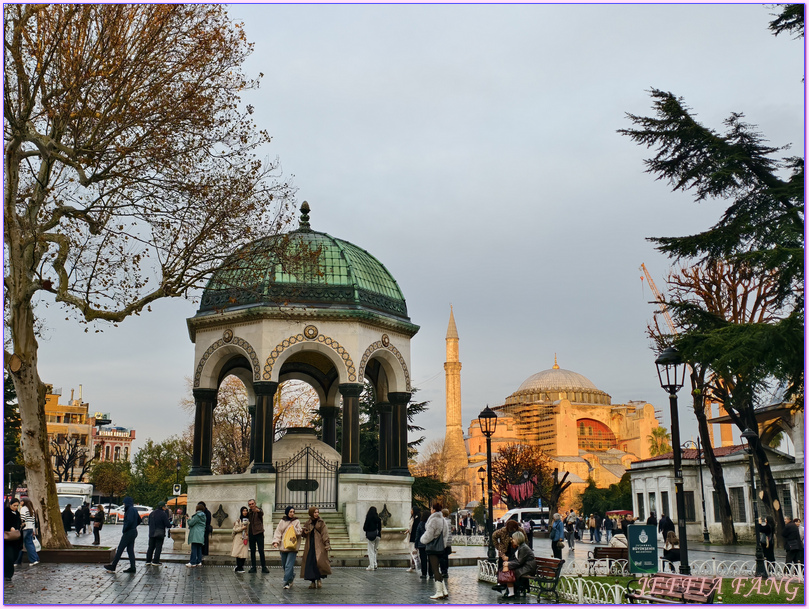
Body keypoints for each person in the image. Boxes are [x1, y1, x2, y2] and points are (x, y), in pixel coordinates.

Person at [420, 502, 449, 600]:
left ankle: (439, 592)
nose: (430, 510)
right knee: (439, 569)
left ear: (433, 510)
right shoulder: (443, 520)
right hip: (441, 547)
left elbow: (429, 534)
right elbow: (445, 534)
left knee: (435, 569)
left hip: (433, 548)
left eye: (431, 508)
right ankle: (444, 590)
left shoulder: (434, 520)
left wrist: (422, 540)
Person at [104, 496, 139, 573]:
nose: (123, 505)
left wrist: (125, 528)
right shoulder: (134, 510)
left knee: (120, 549)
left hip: (128, 532)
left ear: (127, 503)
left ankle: (113, 566)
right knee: (130, 550)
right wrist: (134, 525)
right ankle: (133, 567)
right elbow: (139, 520)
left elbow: (129, 521)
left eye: (124, 503)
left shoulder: (129, 510)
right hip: (133, 531)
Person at [301, 506, 331, 588]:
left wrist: (326, 544)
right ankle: (312, 582)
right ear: (311, 513)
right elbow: (303, 534)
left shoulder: (321, 522)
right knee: (311, 563)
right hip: (310, 546)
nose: (316, 514)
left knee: (319, 563)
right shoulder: (308, 523)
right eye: (315, 512)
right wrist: (304, 532)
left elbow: (325, 534)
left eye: (317, 512)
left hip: (319, 546)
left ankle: (319, 580)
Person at [272, 506, 302, 587]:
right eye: (290, 512)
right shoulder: (282, 521)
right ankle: (291, 577)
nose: (292, 513)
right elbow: (278, 532)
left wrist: (293, 528)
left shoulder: (296, 521)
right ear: (287, 512)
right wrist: (276, 541)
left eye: (293, 512)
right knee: (285, 564)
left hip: (292, 546)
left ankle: (286, 581)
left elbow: (299, 532)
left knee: (289, 565)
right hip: (283, 546)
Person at [502, 530, 537, 598]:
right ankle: (509, 590)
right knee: (507, 569)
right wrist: (508, 563)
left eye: (513, 539)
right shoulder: (520, 547)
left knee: (511, 572)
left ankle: (511, 590)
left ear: (518, 539)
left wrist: (508, 564)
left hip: (528, 568)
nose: (512, 540)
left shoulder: (523, 548)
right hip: (525, 566)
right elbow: (518, 561)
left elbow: (519, 562)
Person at [246, 498, 269, 573]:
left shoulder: (258, 511)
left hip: (259, 533)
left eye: (252, 504)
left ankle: (264, 567)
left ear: (255, 504)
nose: (251, 505)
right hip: (251, 534)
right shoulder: (249, 513)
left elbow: (261, 513)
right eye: (250, 504)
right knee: (252, 551)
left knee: (261, 550)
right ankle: (253, 567)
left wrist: (258, 510)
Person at [146, 502, 171, 566]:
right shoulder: (163, 514)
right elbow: (167, 524)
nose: (165, 508)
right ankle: (155, 561)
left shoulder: (152, 513)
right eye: (165, 506)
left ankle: (148, 560)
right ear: (162, 507)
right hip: (159, 533)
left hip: (151, 532)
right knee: (158, 547)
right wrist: (170, 524)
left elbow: (149, 522)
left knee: (150, 547)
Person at [17, 498, 39, 566]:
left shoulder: (23, 509)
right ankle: (35, 558)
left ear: (23, 502)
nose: (20, 503)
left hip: (25, 528)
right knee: (29, 544)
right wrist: (33, 530)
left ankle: (32, 560)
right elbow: (33, 522)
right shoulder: (31, 510)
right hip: (30, 528)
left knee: (23, 544)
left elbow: (22, 519)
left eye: (21, 501)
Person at [4, 498, 22, 580]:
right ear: (10, 505)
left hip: (16, 539)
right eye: (14, 505)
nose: (15, 507)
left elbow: (18, 524)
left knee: (14, 556)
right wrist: (9, 527)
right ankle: (7, 575)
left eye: (17, 506)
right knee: (9, 557)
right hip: (7, 539)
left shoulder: (17, 514)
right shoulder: (5, 513)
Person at [186, 502, 206, 568]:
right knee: (199, 548)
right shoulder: (204, 516)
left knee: (194, 548)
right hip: (201, 534)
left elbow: (191, 523)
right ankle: (199, 561)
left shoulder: (197, 516)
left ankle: (193, 562)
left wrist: (188, 519)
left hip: (195, 534)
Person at [363, 506, 382, 571]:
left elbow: (364, 528)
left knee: (370, 551)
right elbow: (380, 528)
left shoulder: (368, 518)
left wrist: (369, 530)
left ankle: (371, 566)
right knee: (375, 550)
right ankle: (375, 564)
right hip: (378, 536)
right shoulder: (378, 519)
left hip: (371, 536)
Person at [232, 506, 250, 574]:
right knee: (238, 553)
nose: (245, 512)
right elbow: (235, 529)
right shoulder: (238, 520)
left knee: (244, 553)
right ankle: (239, 567)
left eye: (246, 510)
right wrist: (242, 528)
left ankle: (241, 566)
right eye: (243, 511)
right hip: (238, 538)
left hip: (245, 537)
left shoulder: (249, 520)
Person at [415, 510, 429, 579]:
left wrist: (416, 544)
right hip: (429, 544)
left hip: (421, 544)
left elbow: (417, 534)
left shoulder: (420, 524)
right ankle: (431, 574)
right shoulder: (430, 524)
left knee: (423, 560)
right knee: (430, 559)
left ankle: (424, 573)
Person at [405, 508, 420, 572]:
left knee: (413, 551)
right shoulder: (413, 517)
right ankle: (413, 565)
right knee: (412, 551)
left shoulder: (417, 518)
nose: (411, 511)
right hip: (411, 536)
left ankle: (414, 565)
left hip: (414, 537)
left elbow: (414, 528)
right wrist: (408, 530)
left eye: (412, 510)